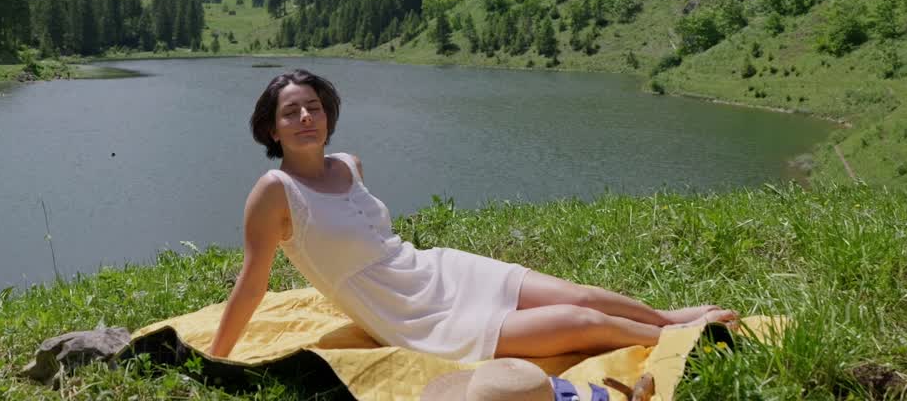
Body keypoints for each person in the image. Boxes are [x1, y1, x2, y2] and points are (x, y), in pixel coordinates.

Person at [209, 69, 737, 363]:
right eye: (291, 112)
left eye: (314, 107)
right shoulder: (275, 191)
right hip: (411, 315)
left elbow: (377, 239)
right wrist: (217, 359)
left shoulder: (350, 163)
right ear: (271, 130)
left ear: (328, 116)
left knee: (577, 294)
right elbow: (252, 284)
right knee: (581, 323)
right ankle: (673, 339)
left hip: (437, 269)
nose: (306, 117)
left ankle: (670, 317)